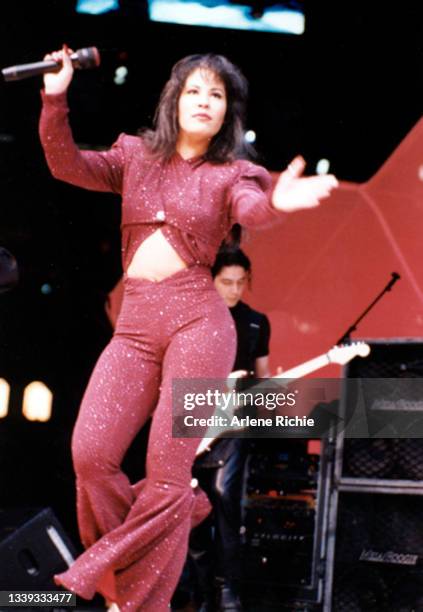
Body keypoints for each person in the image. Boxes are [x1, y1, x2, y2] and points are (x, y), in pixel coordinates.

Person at [38, 46, 338, 612]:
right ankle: (181, 511)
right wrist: (55, 99)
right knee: (90, 454)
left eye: (217, 95)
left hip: (201, 326)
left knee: (166, 471)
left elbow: (252, 207)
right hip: (134, 327)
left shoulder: (234, 172)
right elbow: (64, 163)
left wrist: (278, 199)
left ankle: (133, 599)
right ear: (174, 100)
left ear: (228, 113)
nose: (205, 101)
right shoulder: (133, 156)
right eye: (195, 91)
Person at [186, 247, 271, 612]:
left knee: (224, 500)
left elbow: (265, 378)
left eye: (240, 282)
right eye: (226, 282)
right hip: (192, 417)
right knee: (191, 506)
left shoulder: (256, 322)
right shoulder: (195, 317)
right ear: (212, 281)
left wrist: (255, 388)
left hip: (234, 421)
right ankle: (201, 593)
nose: (234, 290)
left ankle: (227, 592)